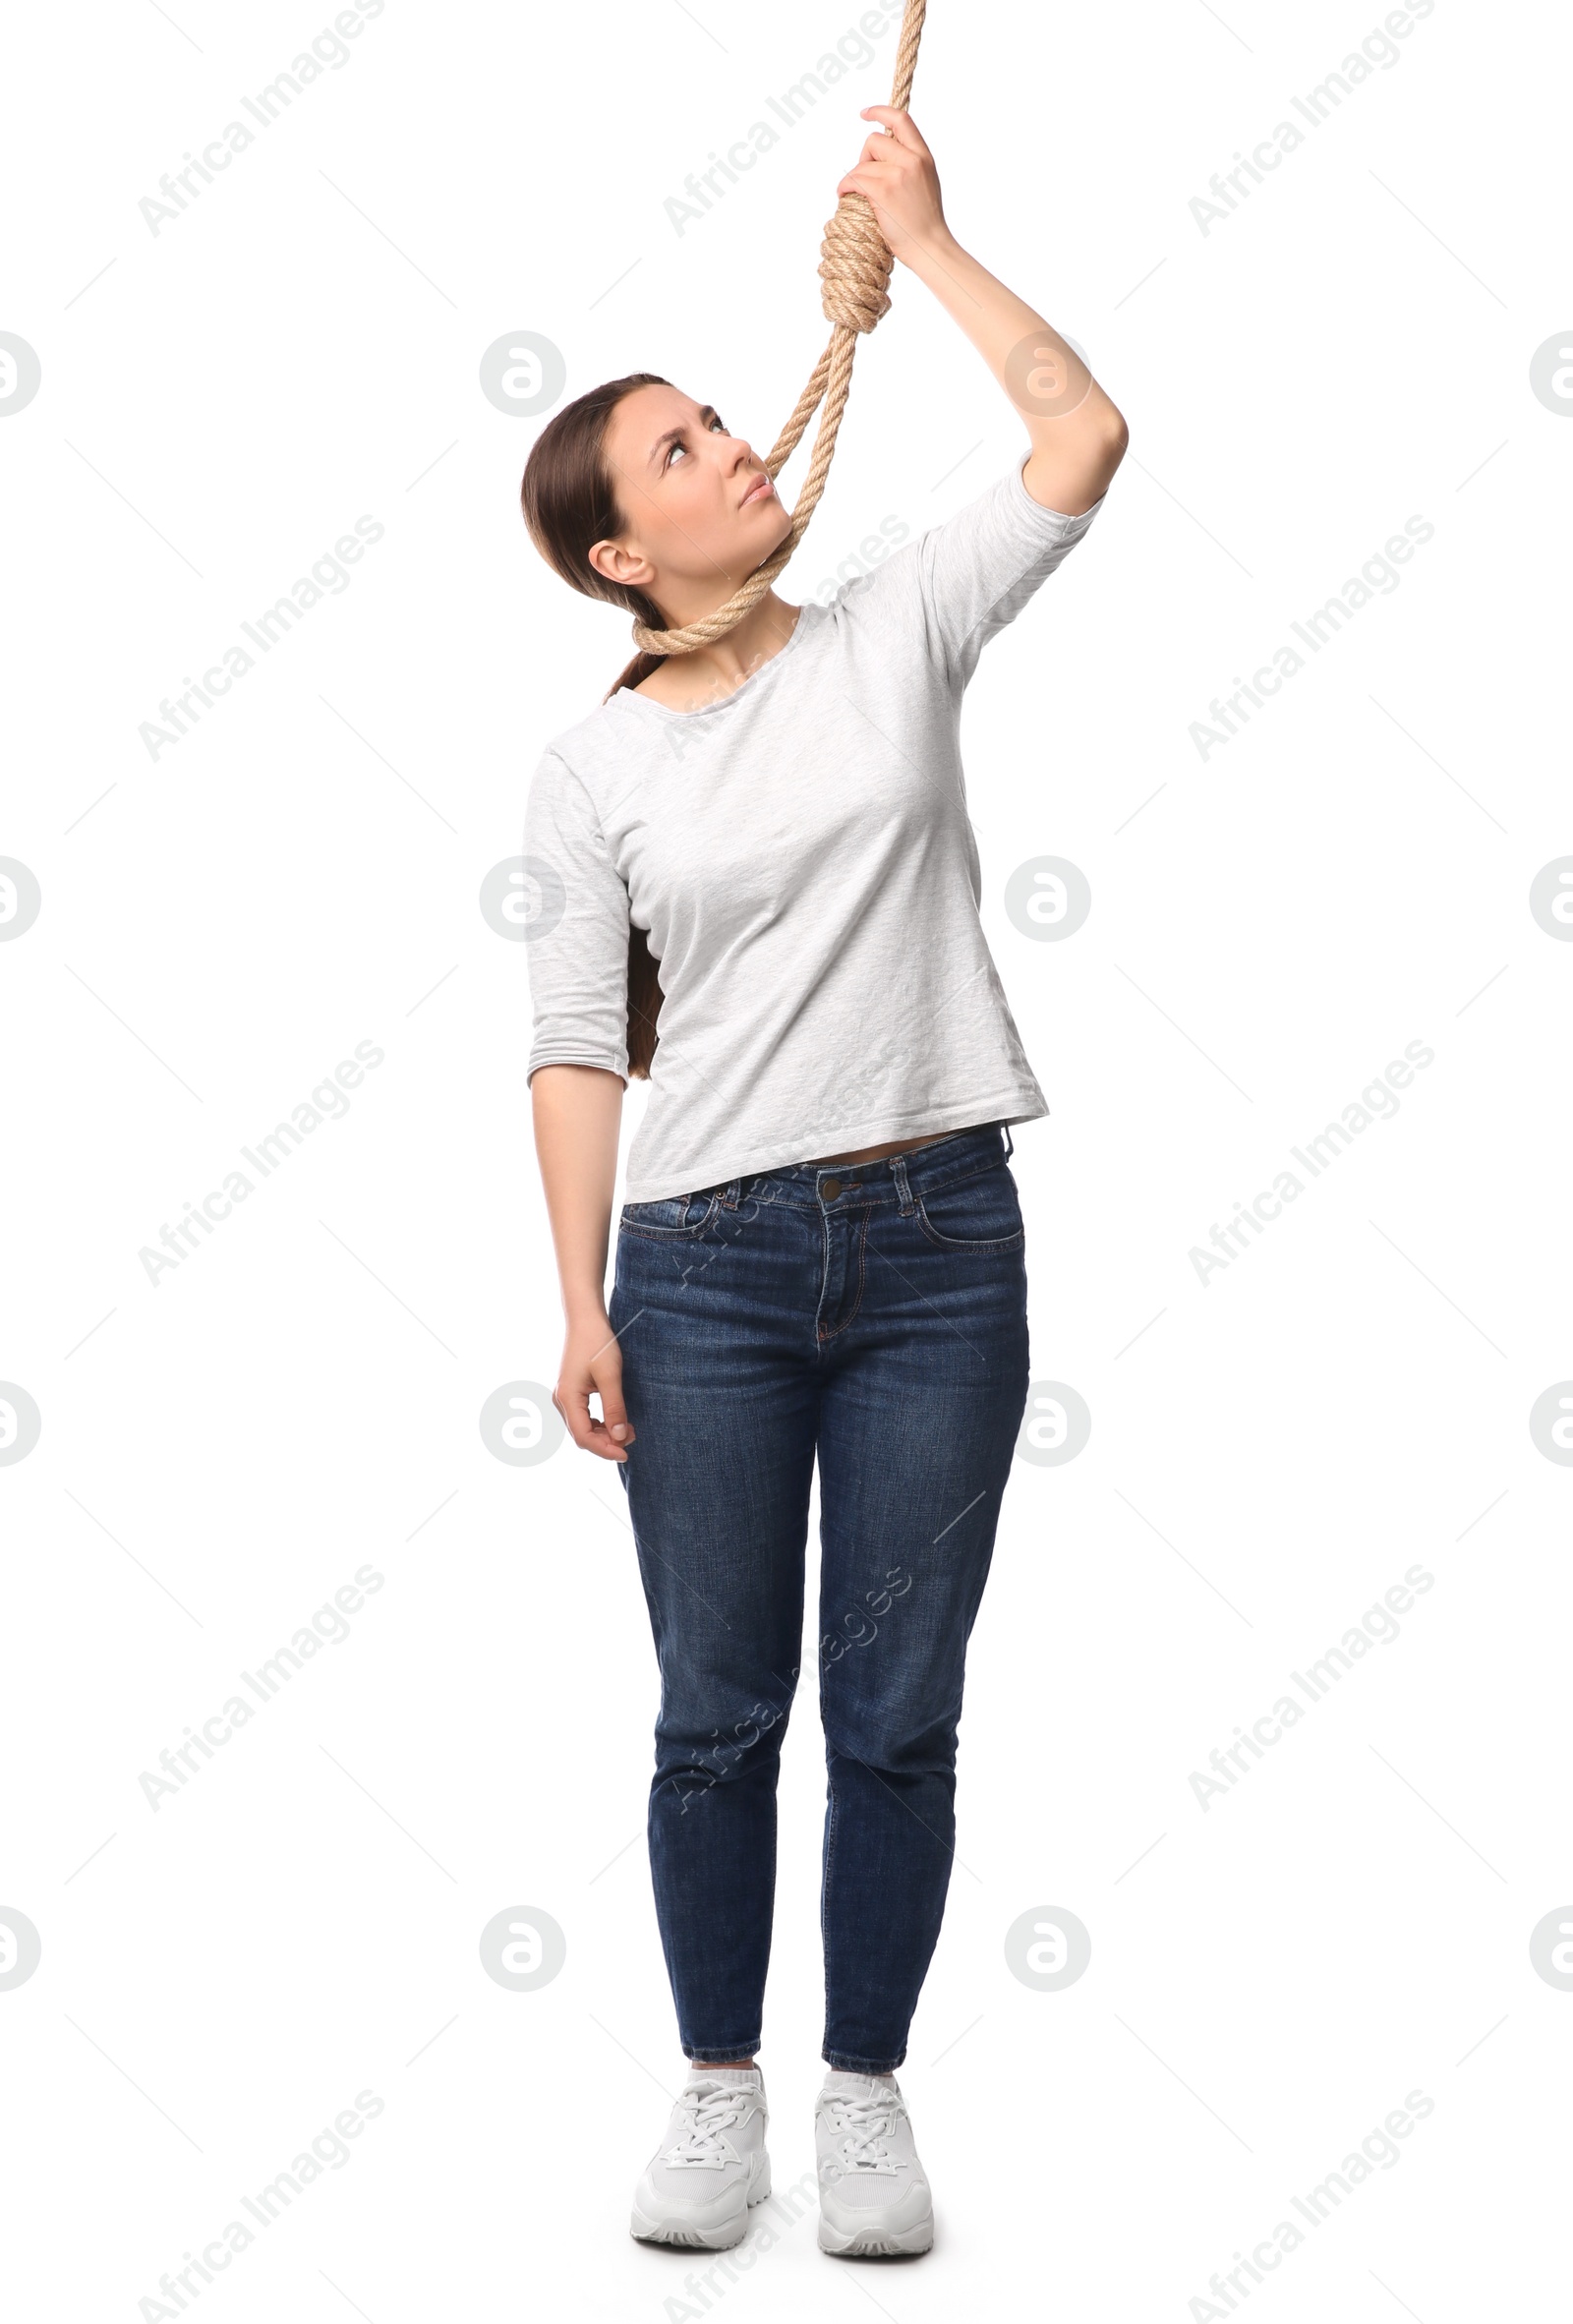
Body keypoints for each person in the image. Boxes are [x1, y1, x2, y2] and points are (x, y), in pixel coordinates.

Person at [519, 102, 1127, 2258]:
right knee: (713, 1713)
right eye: (678, 452)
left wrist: (926, 243)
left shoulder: (895, 628)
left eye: (715, 420)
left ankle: (861, 2091)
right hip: (700, 1273)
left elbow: (1080, 432)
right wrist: (583, 1299)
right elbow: (579, 1046)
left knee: (896, 1707)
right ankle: (713, 2089)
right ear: (620, 553)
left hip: (941, 1243)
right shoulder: (592, 769)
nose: (725, 451)